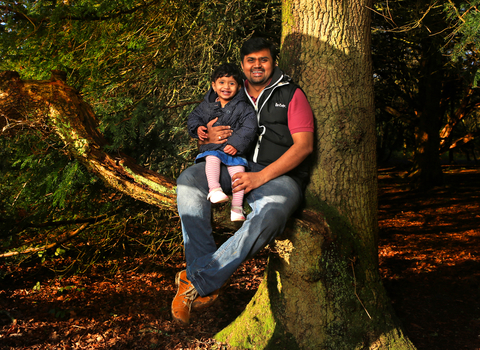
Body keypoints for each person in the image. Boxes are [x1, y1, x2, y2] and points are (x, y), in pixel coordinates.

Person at [172, 37, 314, 325]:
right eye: (251, 60)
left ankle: (198, 281)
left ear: (273, 61)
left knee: (272, 215)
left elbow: (304, 146)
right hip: (232, 166)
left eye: (263, 59)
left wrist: (261, 176)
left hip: (278, 177)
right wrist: (205, 136)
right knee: (188, 180)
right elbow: (204, 124)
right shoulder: (230, 92)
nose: (257, 65)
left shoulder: (291, 94)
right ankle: (200, 272)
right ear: (242, 65)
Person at [187, 63, 257, 222]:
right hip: (213, 148)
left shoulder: (243, 107)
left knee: (239, 173)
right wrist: (198, 128)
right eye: (221, 83)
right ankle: (215, 189)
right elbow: (193, 118)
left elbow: (249, 127)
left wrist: (236, 144)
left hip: (234, 151)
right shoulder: (206, 106)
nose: (226, 87)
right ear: (213, 85)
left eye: (231, 83)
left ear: (239, 87)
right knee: (212, 159)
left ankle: (237, 207)